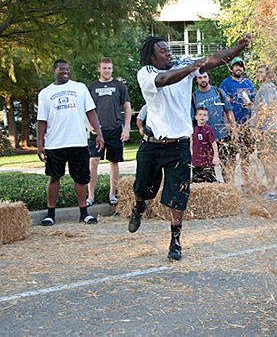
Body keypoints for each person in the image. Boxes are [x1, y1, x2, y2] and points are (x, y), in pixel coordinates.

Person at [130, 34, 253, 262]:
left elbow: (216, 59)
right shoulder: (146, 73)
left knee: (179, 196)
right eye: (163, 51)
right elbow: (165, 80)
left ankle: (175, 241)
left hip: (179, 145)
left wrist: (238, 47)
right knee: (141, 188)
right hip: (153, 145)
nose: (168, 53)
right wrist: (190, 69)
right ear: (151, 56)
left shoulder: (183, 65)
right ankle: (138, 206)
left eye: (168, 49)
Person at [37, 60, 104, 226]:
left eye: (67, 69)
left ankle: (84, 213)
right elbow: (41, 121)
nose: (65, 72)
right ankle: (50, 214)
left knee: (81, 179)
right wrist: (40, 143)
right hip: (55, 144)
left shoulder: (80, 88)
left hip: (78, 142)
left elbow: (91, 112)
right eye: (61, 69)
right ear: (54, 70)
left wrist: (99, 133)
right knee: (54, 177)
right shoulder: (45, 93)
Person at [86, 57, 132, 206]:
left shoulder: (119, 86)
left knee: (114, 161)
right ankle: (90, 196)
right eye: (104, 68)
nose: (107, 71)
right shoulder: (91, 87)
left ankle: (112, 194)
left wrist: (126, 128)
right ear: (99, 69)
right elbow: (84, 109)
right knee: (93, 161)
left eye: (109, 68)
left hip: (115, 129)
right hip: (97, 131)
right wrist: (88, 125)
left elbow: (127, 107)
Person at [191, 72, 237, 182]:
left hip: (221, 136)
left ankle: (229, 191)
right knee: (206, 170)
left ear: (208, 78)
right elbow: (192, 120)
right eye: (200, 77)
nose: (203, 80)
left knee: (227, 167)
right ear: (196, 80)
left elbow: (229, 111)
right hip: (204, 141)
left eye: (205, 77)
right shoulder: (194, 97)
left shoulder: (218, 92)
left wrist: (234, 129)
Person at [220, 57, 256, 187]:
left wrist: (250, 104)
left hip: (246, 125)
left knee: (245, 156)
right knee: (232, 157)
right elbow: (222, 106)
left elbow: (254, 104)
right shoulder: (225, 84)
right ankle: (232, 184)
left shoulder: (249, 84)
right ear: (231, 68)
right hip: (233, 126)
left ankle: (246, 183)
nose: (238, 68)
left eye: (241, 66)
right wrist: (227, 124)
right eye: (236, 66)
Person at [251, 65, 277, 199]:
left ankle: (272, 190)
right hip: (267, 129)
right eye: (257, 72)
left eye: (261, 72)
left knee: (268, 160)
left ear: (268, 75)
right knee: (266, 159)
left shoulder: (267, 88)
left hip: (268, 130)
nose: (258, 74)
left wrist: (256, 127)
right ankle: (271, 188)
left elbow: (266, 110)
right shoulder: (265, 88)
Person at [191, 107, 221, 183]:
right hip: (196, 161)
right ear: (196, 117)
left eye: (204, 115)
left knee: (210, 181)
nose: (202, 117)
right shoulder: (194, 130)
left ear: (207, 118)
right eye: (200, 115)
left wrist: (215, 156)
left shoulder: (208, 129)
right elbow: (192, 143)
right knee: (197, 181)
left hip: (207, 161)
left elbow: (213, 143)